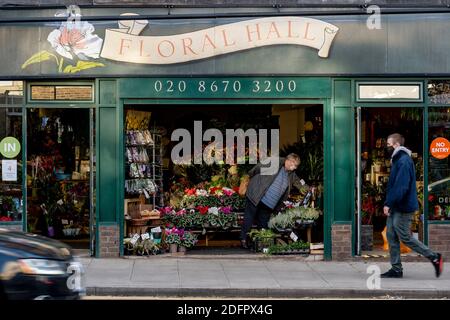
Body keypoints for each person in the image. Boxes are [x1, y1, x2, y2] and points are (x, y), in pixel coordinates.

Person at [381, 133, 444, 278]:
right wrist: (388, 203)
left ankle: (434, 257)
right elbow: (393, 186)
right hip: (396, 206)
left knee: (404, 236)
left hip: (403, 207)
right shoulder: (397, 160)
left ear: (396, 145)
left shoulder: (403, 161)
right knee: (391, 235)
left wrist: (389, 203)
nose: (387, 147)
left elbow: (401, 187)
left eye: (388, 145)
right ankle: (396, 269)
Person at [240, 153, 307, 249]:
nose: (294, 168)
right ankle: (243, 240)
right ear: (289, 160)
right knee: (249, 218)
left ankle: (261, 243)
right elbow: (258, 167)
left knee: (263, 224)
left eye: (296, 166)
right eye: (293, 165)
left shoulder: (291, 174)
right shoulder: (275, 162)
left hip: (269, 204)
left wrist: (305, 188)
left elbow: (298, 181)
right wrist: (248, 175)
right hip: (256, 195)